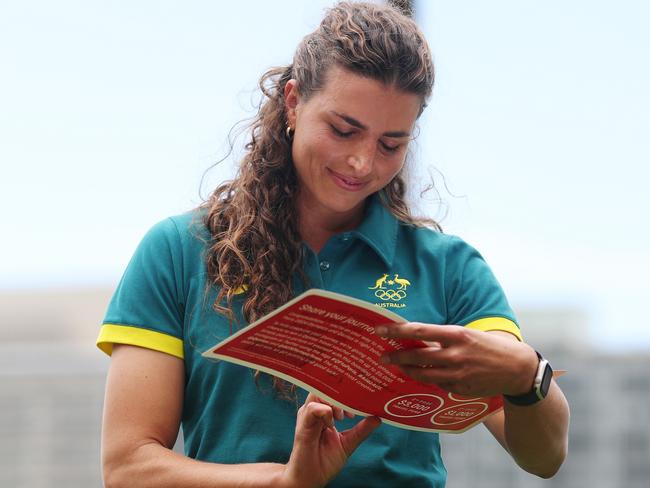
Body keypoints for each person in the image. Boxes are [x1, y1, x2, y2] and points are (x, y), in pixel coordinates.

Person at [97, 2, 569, 487]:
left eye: (391, 144)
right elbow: (128, 466)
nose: (362, 163)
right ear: (293, 102)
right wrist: (283, 484)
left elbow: (544, 457)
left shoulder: (450, 268)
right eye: (344, 130)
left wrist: (527, 377)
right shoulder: (178, 252)